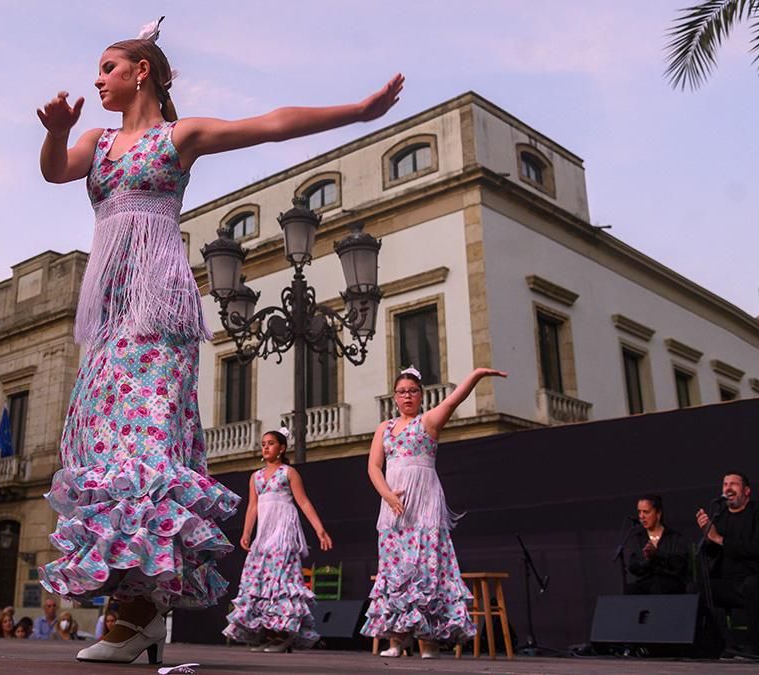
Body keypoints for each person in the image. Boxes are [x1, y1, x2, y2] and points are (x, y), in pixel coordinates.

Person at [36, 15, 404, 666]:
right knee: (108, 451)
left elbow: (270, 122)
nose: (97, 80)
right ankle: (131, 609)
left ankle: (143, 612)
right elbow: (55, 171)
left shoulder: (180, 137)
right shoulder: (94, 142)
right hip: (109, 312)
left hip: (158, 305)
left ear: (141, 71)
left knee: (149, 444)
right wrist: (59, 132)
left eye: (108, 68)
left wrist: (359, 111)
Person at [362, 366, 505, 658]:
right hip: (394, 510)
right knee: (396, 572)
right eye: (402, 392)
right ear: (394, 397)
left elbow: (453, 401)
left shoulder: (427, 421)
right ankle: (397, 639)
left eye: (412, 391)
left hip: (424, 506)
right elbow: (374, 467)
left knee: (425, 571)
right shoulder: (384, 428)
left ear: (420, 395)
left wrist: (476, 374)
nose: (407, 396)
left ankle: (429, 641)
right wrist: (388, 495)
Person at [223, 428, 332, 653]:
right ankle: (269, 633)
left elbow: (303, 502)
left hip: (283, 531)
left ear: (281, 448)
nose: (266, 447)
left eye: (271, 443)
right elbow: (252, 507)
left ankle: (285, 633)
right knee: (261, 580)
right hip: (263, 534)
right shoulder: (255, 477)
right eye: (263, 443)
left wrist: (319, 529)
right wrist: (246, 533)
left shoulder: (288, 473)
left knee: (281, 580)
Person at [696, 471, 759, 656]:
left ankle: (754, 648)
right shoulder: (720, 516)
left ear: (746, 491)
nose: (728, 488)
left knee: (752, 585)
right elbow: (713, 552)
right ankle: (726, 644)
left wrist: (718, 538)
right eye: (725, 484)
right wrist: (708, 538)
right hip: (730, 584)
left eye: (734, 484)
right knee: (698, 588)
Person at [624, 495, 690, 595]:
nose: (641, 516)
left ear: (658, 513)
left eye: (645, 512)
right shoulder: (638, 537)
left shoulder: (673, 537)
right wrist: (647, 560)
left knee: (659, 587)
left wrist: (657, 554)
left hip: (669, 583)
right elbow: (633, 566)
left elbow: (680, 564)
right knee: (630, 590)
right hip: (645, 583)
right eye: (639, 512)